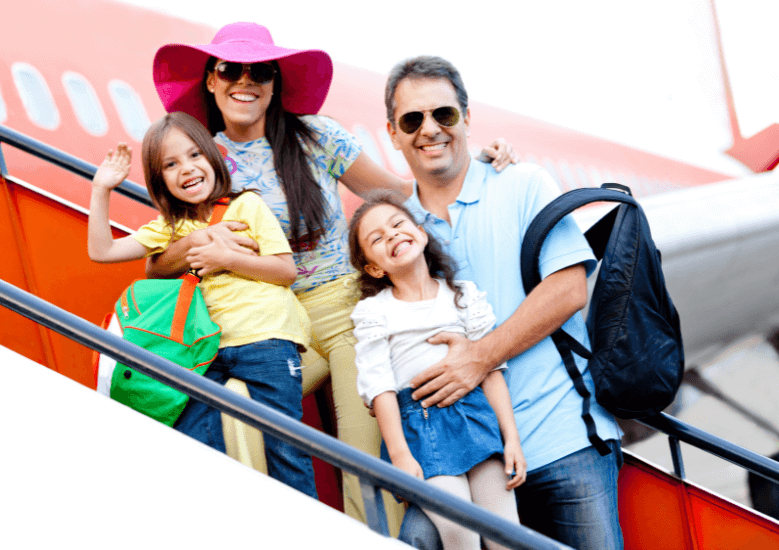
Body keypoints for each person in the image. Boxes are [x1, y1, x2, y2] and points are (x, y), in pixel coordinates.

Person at [148, 22, 518, 530]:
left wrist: (473, 165)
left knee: (360, 452)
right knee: (236, 413)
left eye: (259, 71)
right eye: (230, 69)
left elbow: (399, 192)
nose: (245, 81)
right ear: (211, 80)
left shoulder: (316, 136)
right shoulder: (202, 157)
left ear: (274, 83)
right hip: (274, 326)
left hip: (343, 311)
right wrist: (193, 245)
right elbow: (160, 256)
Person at [383, 56, 624, 549]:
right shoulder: (396, 227)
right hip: (464, 463)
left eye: (443, 115)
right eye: (413, 120)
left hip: (562, 440)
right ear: (392, 132)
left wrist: (479, 357)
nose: (430, 130)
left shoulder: (522, 183)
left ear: (467, 119)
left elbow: (568, 290)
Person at [87, 112, 316, 499]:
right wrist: (102, 190)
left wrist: (226, 260)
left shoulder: (247, 207)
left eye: (195, 155)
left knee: (286, 449)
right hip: (207, 350)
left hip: (267, 341)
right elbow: (102, 250)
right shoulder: (168, 228)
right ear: (160, 181)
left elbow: (284, 270)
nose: (187, 169)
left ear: (213, 158)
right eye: (171, 165)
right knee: (195, 437)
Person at [348, 191, 525, 550]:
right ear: (374, 268)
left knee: (505, 530)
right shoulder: (375, 313)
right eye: (377, 239)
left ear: (421, 233)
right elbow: (379, 387)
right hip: (421, 427)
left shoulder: (462, 295)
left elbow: (491, 370)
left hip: (475, 416)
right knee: (459, 529)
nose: (392, 235)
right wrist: (399, 454)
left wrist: (512, 439)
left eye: (397, 224)